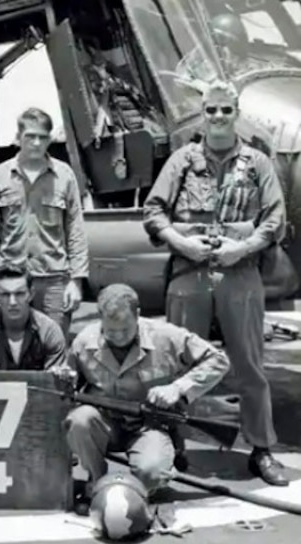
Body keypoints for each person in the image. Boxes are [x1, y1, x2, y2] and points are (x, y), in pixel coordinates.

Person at [143, 80, 288, 486]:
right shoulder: (182, 161)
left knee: (250, 367)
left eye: (226, 110)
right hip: (189, 274)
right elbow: (154, 212)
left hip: (240, 274)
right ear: (202, 114)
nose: (219, 117)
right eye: (212, 111)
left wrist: (241, 250)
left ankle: (261, 449)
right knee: (177, 363)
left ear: (237, 112)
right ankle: (174, 447)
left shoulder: (257, 163)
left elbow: (274, 221)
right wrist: (181, 243)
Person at [57, 284, 229, 506]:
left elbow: (218, 361)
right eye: (111, 331)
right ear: (100, 318)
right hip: (105, 424)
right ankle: (97, 481)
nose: (118, 337)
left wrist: (178, 388)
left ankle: (157, 467)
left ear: (138, 315)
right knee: (79, 420)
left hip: (150, 426)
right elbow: (69, 387)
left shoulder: (166, 336)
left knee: (152, 476)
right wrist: (62, 378)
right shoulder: (83, 341)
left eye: (125, 330)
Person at [0, 108, 89, 338]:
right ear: (19, 138)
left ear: (50, 138)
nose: (37, 143)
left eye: (42, 137)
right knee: (12, 347)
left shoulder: (64, 176)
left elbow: (75, 231)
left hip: (53, 281)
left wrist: (76, 282)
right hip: (11, 281)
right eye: (30, 136)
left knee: (54, 345)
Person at [0, 264, 66, 371]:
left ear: (31, 294)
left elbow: (54, 383)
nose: (12, 302)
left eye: (19, 294)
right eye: (5, 294)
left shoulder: (49, 331)